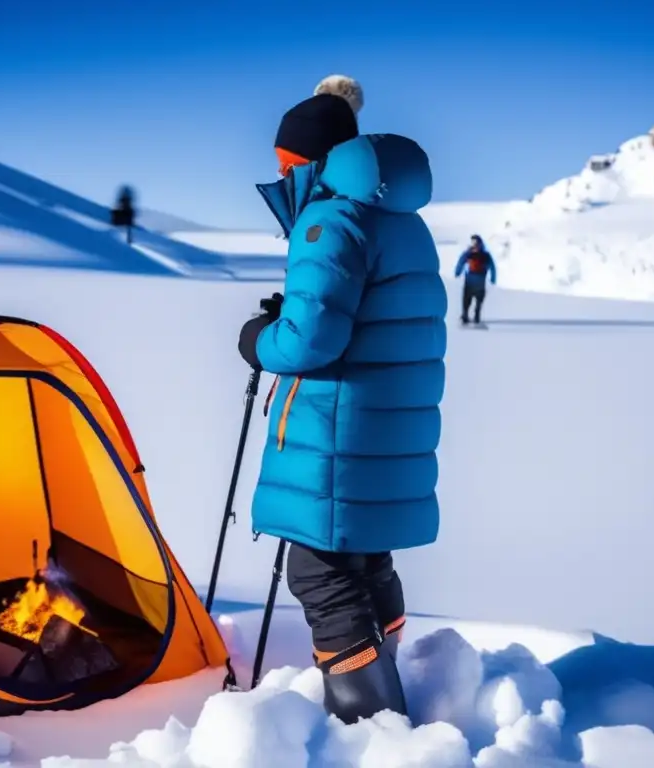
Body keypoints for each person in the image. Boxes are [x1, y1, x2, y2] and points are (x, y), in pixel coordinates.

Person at [237, 75, 447, 725]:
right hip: (381, 427)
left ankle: (372, 725)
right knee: (361, 557)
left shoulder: (329, 220)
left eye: (284, 163)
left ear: (311, 160)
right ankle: (387, 682)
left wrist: (259, 338)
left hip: (339, 428)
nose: (278, 173)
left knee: (320, 573)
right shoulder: (398, 220)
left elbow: (309, 341)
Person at [454, 234, 496, 325]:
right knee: (479, 300)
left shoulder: (468, 253)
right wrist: (493, 278)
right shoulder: (486, 255)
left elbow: (460, 262)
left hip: (469, 281)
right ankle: (477, 315)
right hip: (481, 281)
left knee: (466, 299)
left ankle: (465, 316)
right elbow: (492, 267)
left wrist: (457, 272)